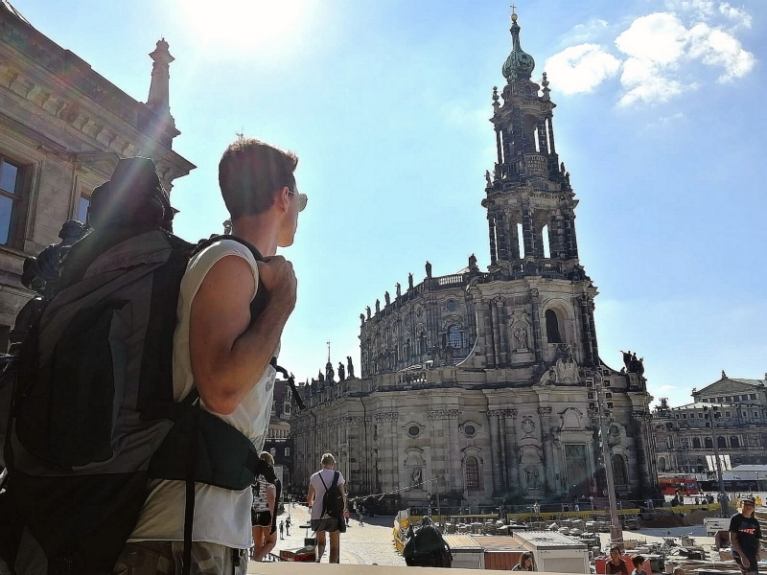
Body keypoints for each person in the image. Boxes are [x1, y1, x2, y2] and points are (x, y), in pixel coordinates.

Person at [113, 138, 305, 574]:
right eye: (301, 199)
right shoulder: (229, 261)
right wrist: (284, 303)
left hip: (206, 526)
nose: (300, 212)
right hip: (181, 531)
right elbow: (221, 390)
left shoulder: (242, 266)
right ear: (283, 197)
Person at [307, 453, 348, 563]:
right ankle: (332, 569)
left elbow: (309, 499)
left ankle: (317, 560)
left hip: (317, 515)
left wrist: (314, 505)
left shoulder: (314, 477)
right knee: (334, 545)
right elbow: (343, 495)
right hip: (333, 514)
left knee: (320, 543)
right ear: (333, 464)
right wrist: (343, 509)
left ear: (322, 464)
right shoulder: (337, 476)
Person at [251, 452, 278, 561]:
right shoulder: (269, 476)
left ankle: (254, 568)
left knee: (258, 545)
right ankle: (256, 561)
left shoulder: (255, 477)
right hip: (266, 512)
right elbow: (270, 496)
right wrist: (273, 517)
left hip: (255, 513)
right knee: (271, 542)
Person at [730, 497, 762, 575]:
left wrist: (757, 553)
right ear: (741, 505)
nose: (748, 506)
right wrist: (742, 556)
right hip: (740, 552)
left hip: (751, 553)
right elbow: (733, 540)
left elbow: (757, 539)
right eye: (746, 504)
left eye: (751, 504)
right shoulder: (736, 519)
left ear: (754, 507)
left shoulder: (755, 522)